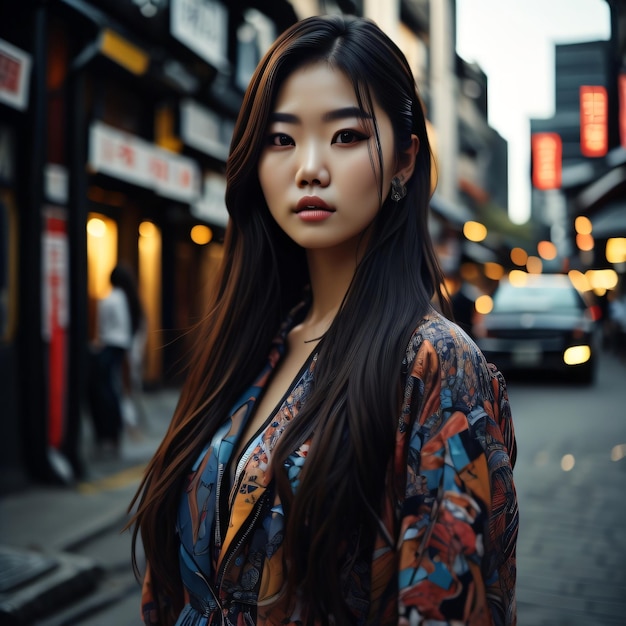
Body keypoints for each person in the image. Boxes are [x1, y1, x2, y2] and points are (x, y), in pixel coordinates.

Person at [129, 14, 518, 626]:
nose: (309, 167)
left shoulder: (434, 364)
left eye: (345, 136)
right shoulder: (252, 344)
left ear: (405, 160)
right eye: (281, 140)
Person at [90, 264, 144, 454]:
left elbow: (102, 330)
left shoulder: (109, 299)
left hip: (110, 347)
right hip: (125, 348)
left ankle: (107, 434)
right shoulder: (131, 300)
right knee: (118, 390)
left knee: (105, 391)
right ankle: (118, 432)